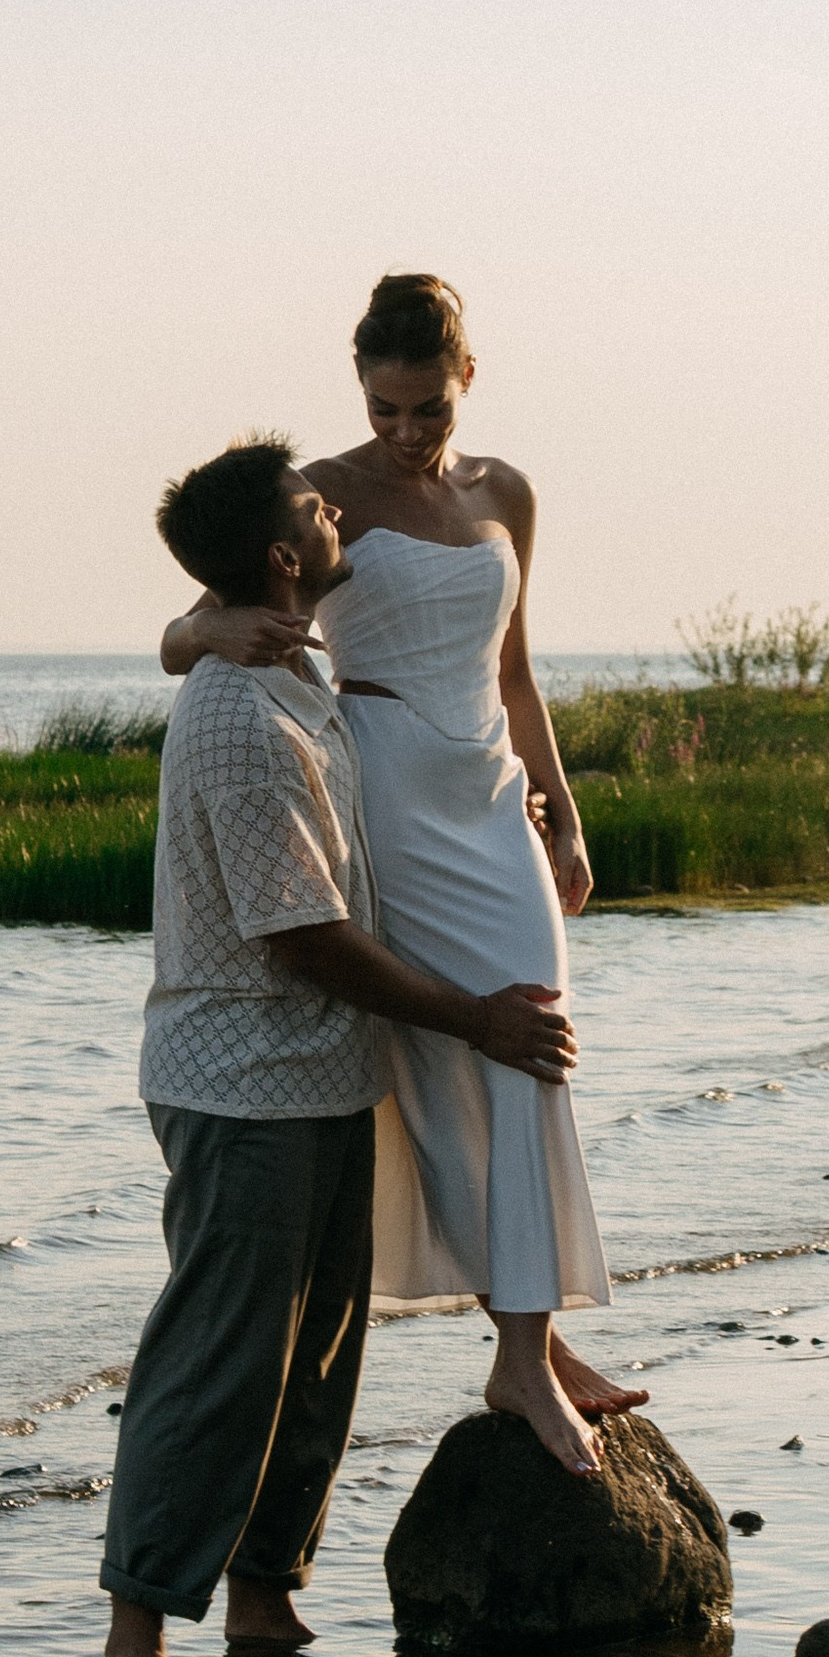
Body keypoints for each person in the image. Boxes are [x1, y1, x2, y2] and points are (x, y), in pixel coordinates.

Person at [105, 435, 575, 1657]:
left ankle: (265, 1599)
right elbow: (306, 938)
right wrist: (477, 1021)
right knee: (220, 1358)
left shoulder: (298, 672)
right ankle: (138, 1629)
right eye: (315, 510)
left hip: (319, 1076)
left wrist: (501, 792)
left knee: (315, 1361)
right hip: (239, 1081)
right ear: (281, 557)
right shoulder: (239, 710)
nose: (336, 513)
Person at [162, 272, 640, 1481]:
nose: (405, 432)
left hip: (488, 794)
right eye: (384, 409)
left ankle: (531, 1343)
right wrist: (214, 631)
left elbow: (517, 667)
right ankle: (520, 1350)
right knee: (448, 1064)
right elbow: (182, 634)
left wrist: (565, 819)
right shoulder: (314, 496)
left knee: (538, 1047)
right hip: (380, 790)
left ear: (463, 381)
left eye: (425, 410)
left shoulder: (508, 494)